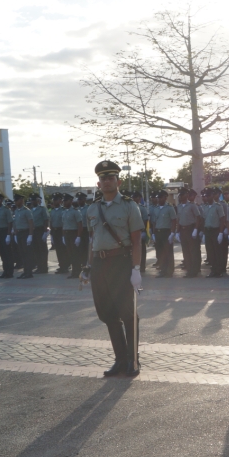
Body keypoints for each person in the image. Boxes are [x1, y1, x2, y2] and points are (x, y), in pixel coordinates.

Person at [81, 161, 144, 377]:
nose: (107, 182)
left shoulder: (129, 205)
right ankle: (120, 360)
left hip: (121, 263)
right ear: (98, 183)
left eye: (111, 178)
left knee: (128, 312)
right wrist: (88, 266)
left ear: (119, 181)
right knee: (107, 313)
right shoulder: (92, 208)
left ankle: (133, 360)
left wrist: (136, 269)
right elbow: (93, 240)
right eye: (103, 179)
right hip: (99, 264)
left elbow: (137, 241)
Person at [200, 188, 228, 277]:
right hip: (208, 231)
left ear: (212, 196)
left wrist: (220, 232)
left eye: (208, 195)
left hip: (216, 231)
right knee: (210, 252)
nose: (207, 197)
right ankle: (213, 270)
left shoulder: (218, 206)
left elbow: (222, 219)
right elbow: (204, 220)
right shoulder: (204, 207)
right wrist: (204, 233)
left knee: (218, 252)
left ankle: (218, 270)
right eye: (205, 196)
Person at [152, 190, 178, 277]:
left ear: (165, 198)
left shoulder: (169, 208)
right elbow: (154, 222)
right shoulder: (155, 208)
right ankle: (162, 270)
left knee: (168, 252)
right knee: (160, 252)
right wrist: (153, 233)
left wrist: (172, 233)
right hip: (158, 232)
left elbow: (174, 221)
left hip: (166, 232)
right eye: (158, 197)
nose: (159, 199)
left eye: (161, 197)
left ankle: (169, 271)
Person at [177, 187, 201, 276]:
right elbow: (178, 219)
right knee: (185, 251)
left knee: (193, 251)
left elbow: (198, 217)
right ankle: (189, 269)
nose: (180, 197)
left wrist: (195, 229)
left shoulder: (192, 205)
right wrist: (177, 231)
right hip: (182, 230)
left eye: (182, 195)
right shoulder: (179, 206)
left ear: (187, 195)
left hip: (190, 229)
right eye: (180, 195)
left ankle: (194, 271)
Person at [10, 193, 34, 279]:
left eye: (17, 200)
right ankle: (25, 271)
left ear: (21, 200)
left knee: (27, 254)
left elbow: (31, 223)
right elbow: (15, 223)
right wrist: (15, 233)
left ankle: (29, 272)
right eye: (15, 201)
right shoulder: (16, 211)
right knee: (22, 254)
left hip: (26, 233)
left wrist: (30, 235)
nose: (15, 202)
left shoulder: (26, 211)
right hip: (19, 234)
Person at [0, 193, 15, 278]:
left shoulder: (6, 210)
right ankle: (5, 271)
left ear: (1, 200)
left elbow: (10, 222)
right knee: (2, 253)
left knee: (8, 253)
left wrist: (8, 235)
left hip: (5, 232)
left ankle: (10, 272)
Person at [62, 193, 84, 279]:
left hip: (73, 234)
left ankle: (77, 271)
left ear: (70, 201)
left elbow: (80, 225)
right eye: (63, 201)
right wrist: (63, 236)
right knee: (70, 254)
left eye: (65, 201)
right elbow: (63, 224)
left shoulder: (76, 211)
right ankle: (73, 272)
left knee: (75, 254)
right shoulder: (64, 211)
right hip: (67, 234)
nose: (63, 203)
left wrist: (78, 237)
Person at [29, 193, 51, 273]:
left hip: (40, 230)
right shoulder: (30, 210)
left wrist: (45, 232)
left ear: (38, 201)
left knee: (42, 249)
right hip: (34, 231)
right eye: (31, 200)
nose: (32, 201)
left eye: (34, 200)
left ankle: (44, 267)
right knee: (36, 250)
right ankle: (39, 267)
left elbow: (46, 220)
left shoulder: (42, 209)